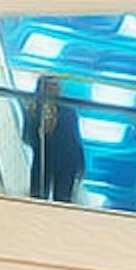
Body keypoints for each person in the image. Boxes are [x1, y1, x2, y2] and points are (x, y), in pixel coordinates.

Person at [24, 73, 88, 204]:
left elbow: (74, 139)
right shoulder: (34, 110)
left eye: (56, 86)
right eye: (52, 86)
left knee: (62, 199)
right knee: (38, 197)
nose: (56, 89)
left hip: (64, 161)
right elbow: (27, 136)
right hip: (45, 157)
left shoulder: (67, 110)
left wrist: (80, 164)